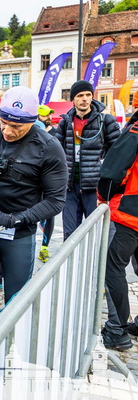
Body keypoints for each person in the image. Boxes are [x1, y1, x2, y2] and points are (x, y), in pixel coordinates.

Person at [0, 86, 67, 303]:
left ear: (33, 121)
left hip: (18, 233)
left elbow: (55, 201)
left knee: (16, 302)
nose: (8, 131)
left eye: (17, 126)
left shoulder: (48, 146)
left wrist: (14, 219)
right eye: (3, 122)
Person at [55, 80, 120, 240]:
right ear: (73, 99)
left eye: (88, 95)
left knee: (99, 234)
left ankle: (102, 258)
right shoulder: (65, 122)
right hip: (70, 187)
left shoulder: (105, 121)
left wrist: (109, 180)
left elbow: (117, 152)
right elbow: (56, 152)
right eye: (80, 95)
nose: (84, 99)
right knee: (70, 235)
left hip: (95, 187)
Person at [97, 120, 138, 351]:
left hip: (130, 213)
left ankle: (116, 329)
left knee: (113, 267)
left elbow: (112, 172)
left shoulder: (135, 130)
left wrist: (103, 197)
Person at [36, 104, 57, 262]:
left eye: (49, 114)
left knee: (49, 214)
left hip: (49, 181)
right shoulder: (33, 132)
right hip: (32, 182)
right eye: (45, 115)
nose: (49, 117)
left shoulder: (56, 133)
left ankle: (44, 247)